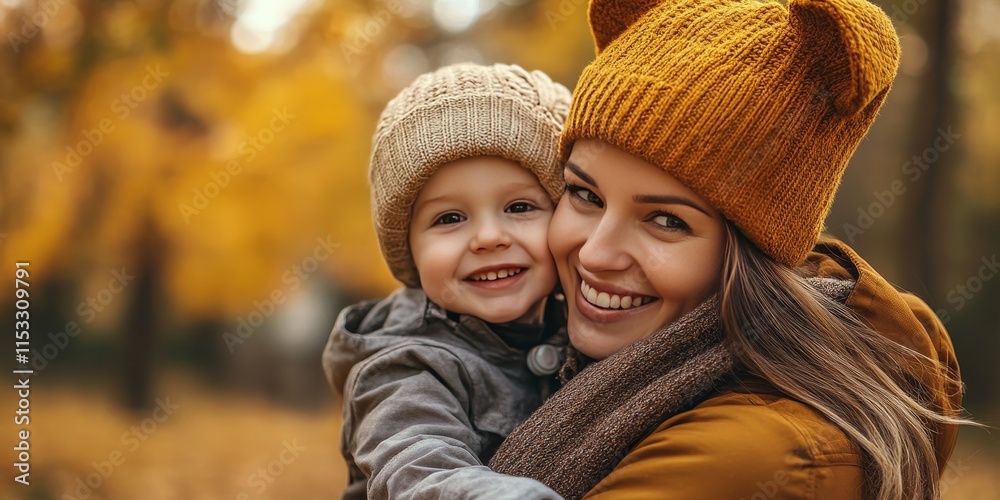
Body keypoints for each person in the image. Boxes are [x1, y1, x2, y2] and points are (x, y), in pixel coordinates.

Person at [489, 0, 968, 498]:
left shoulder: (756, 458)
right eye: (585, 195)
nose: (594, 254)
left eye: (666, 220)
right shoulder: (570, 368)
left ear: (752, 253)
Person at [322, 63, 570, 500]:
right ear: (410, 252)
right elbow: (415, 463)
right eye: (450, 218)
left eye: (519, 207)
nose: (490, 237)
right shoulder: (406, 364)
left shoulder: (585, 320)